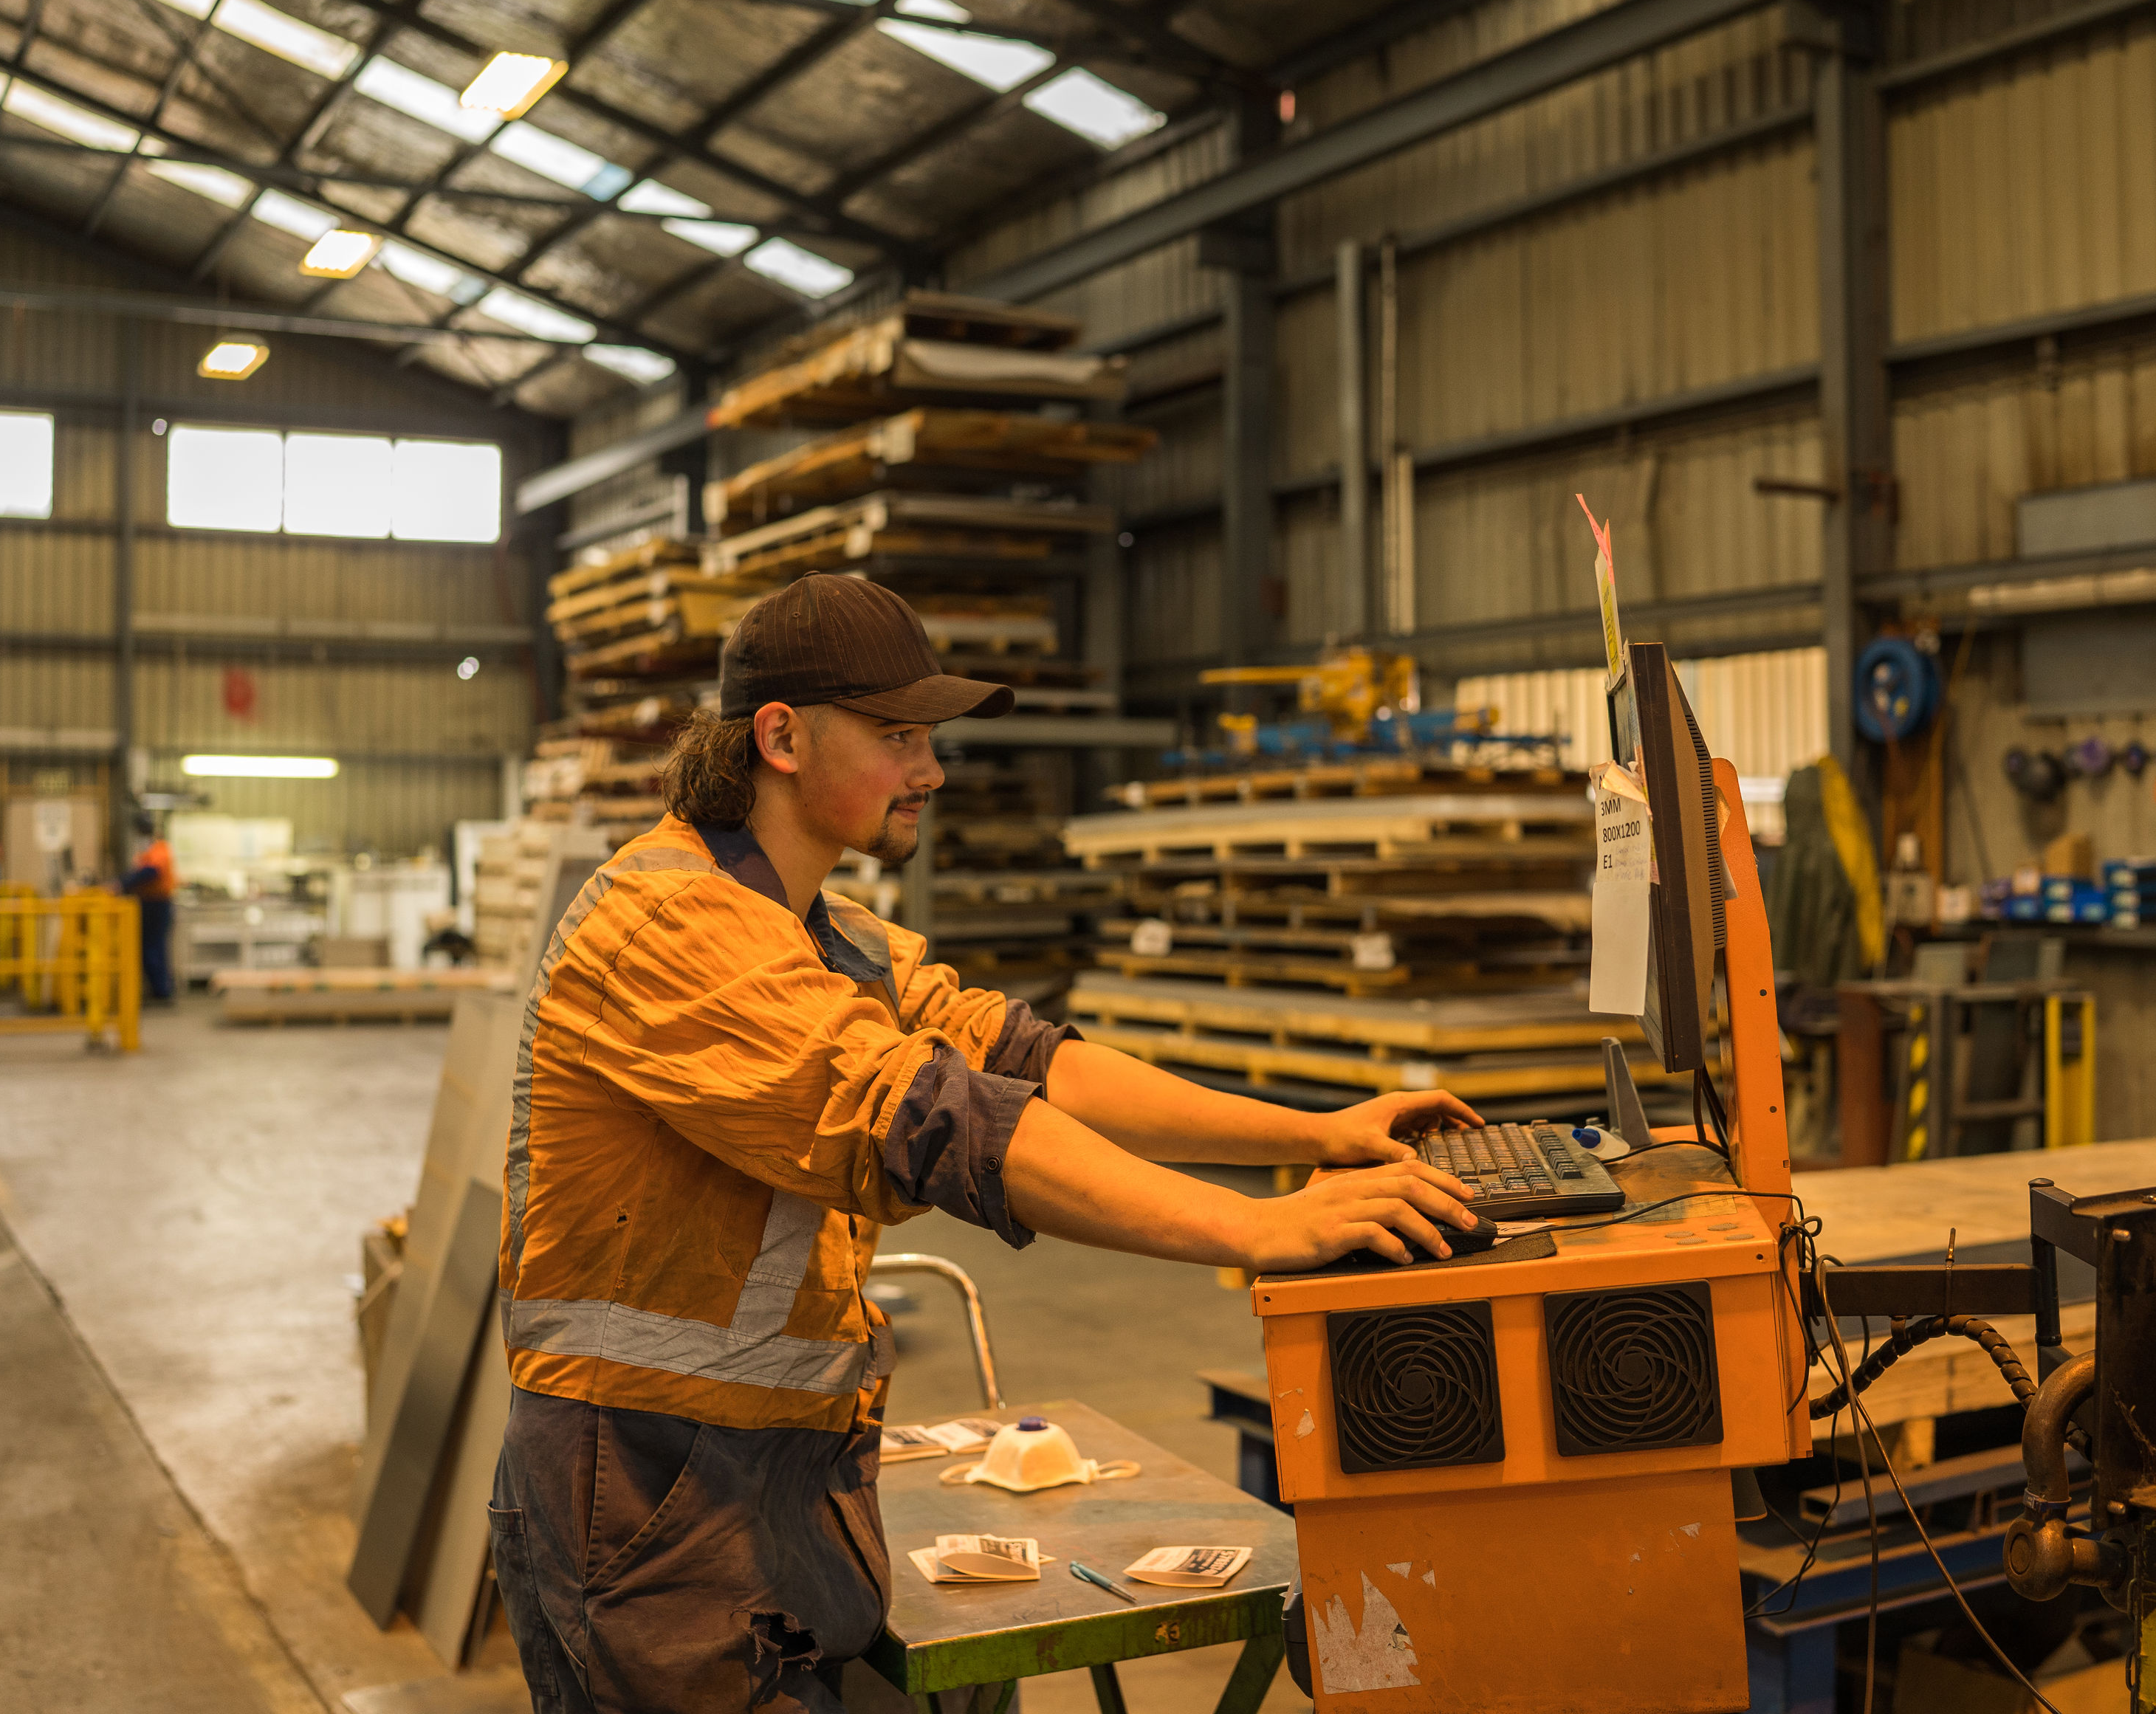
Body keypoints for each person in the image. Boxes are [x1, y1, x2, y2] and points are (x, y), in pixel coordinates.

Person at [491, 573, 1483, 1714]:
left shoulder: (822, 933)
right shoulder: (669, 926)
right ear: (781, 737)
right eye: (900, 736)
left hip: (778, 1473)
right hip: (644, 1490)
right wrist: (1261, 1230)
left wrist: (1312, 1132)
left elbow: (1023, 1059)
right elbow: (931, 1119)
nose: (933, 772)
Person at [120, 812, 178, 1003]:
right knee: (150, 947)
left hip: (157, 904)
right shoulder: (147, 851)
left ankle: (161, 991)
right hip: (149, 902)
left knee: (153, 948)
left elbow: (151, 872)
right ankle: (157, 988)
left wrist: (122, 885)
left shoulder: (160, 848)